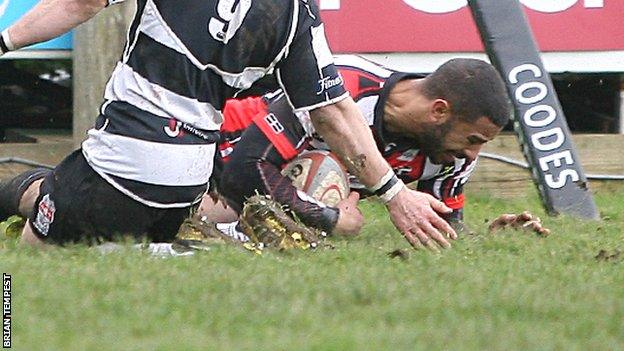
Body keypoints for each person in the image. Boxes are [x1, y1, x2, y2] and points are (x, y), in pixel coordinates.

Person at [0, 0, 459, 249]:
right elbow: (333, 111)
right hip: (189, 182)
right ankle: (168, 249)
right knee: (53, 192)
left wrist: (5, 40)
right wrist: (396, 196)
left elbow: (79, 4)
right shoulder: (297, 13)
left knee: (30, 261)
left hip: (124, 163)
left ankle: (174, 253)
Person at [198, 55, 511, 243]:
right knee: (197, 221)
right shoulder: (342, 87)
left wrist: (492, 238)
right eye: (473, 141)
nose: (473, 155)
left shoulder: (450, 152)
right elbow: (244, 172)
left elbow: (445, 230)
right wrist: (330, 218)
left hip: (246, 192)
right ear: (439, 112)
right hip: (209, 152)